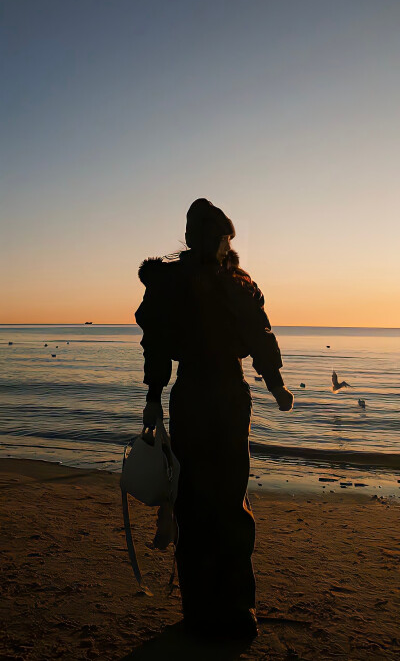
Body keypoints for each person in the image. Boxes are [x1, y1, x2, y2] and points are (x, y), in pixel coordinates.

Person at [135, 198, 293, 640]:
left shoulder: (221, 283)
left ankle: (219, 610)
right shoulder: (217, 283)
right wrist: (275, 383)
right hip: (216, 393)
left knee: (211, 501)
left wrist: (275, 382)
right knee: (217, 501)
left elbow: (255, 333)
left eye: (223, 237)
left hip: (210, 394)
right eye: (220, 236)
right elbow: (161, 341)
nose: (221, 244)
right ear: (197, 238)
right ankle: (227, 610)